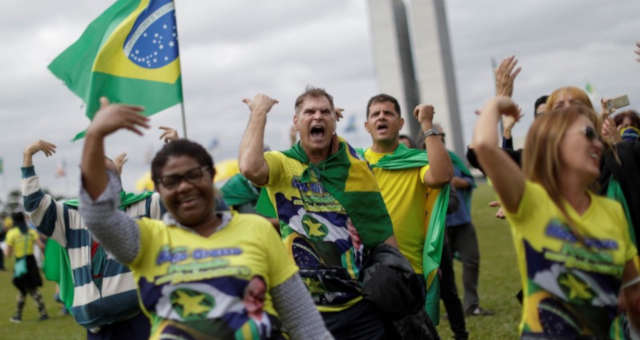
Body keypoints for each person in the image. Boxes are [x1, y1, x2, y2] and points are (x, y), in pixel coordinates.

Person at [79, 97, 331, 340]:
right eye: (171, 181)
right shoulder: (147, 239)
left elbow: (303, 321)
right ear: (158, 189)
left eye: (193, 175)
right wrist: (95, 135)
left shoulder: (257, 229)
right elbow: (99, 217)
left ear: (211, 176)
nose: (184, 187)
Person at [472, 96, 640, 338]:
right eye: (587, 134)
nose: (598, 144)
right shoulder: (531, 200)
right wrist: (497, 104)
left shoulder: (611, 212)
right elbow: (484, 148)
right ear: (555, 143)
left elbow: (634, 293)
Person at [239, 89, 396, 339]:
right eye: (309, 112)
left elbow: (379, 229)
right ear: (296, 122)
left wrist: (397, 271)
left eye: (325, 112)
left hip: (358, 304)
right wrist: (259, 112)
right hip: (303, 309)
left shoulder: (356, 168)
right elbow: (249, 167)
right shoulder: (283, 164)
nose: (317, 117)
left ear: (335, 121)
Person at [22, 138, 165, 339]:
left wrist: (175, 149)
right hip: (97, 327)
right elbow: (35, 207)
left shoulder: (144, 206)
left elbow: (177, 199)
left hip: (139, 320)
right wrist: (28, 157)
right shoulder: (71, 216)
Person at [360, 93, 452, 323]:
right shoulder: (355, 163)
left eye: (388, 113)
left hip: (410, 270)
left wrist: (427, 125)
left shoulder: (415, 160)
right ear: (367, 125)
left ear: (400, 123)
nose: (381, 118)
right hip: (365, 270)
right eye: (375, 114)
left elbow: (442, 175)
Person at [5, 211, 48, 323]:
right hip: (31, 262)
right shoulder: (31, 231)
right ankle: (40, 312)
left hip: (20, 263)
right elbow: (41, 246)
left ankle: (20, 316)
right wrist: (45, 257)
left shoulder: (12, 233)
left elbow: (7, 254)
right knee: (29, 288)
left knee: (25, 288)